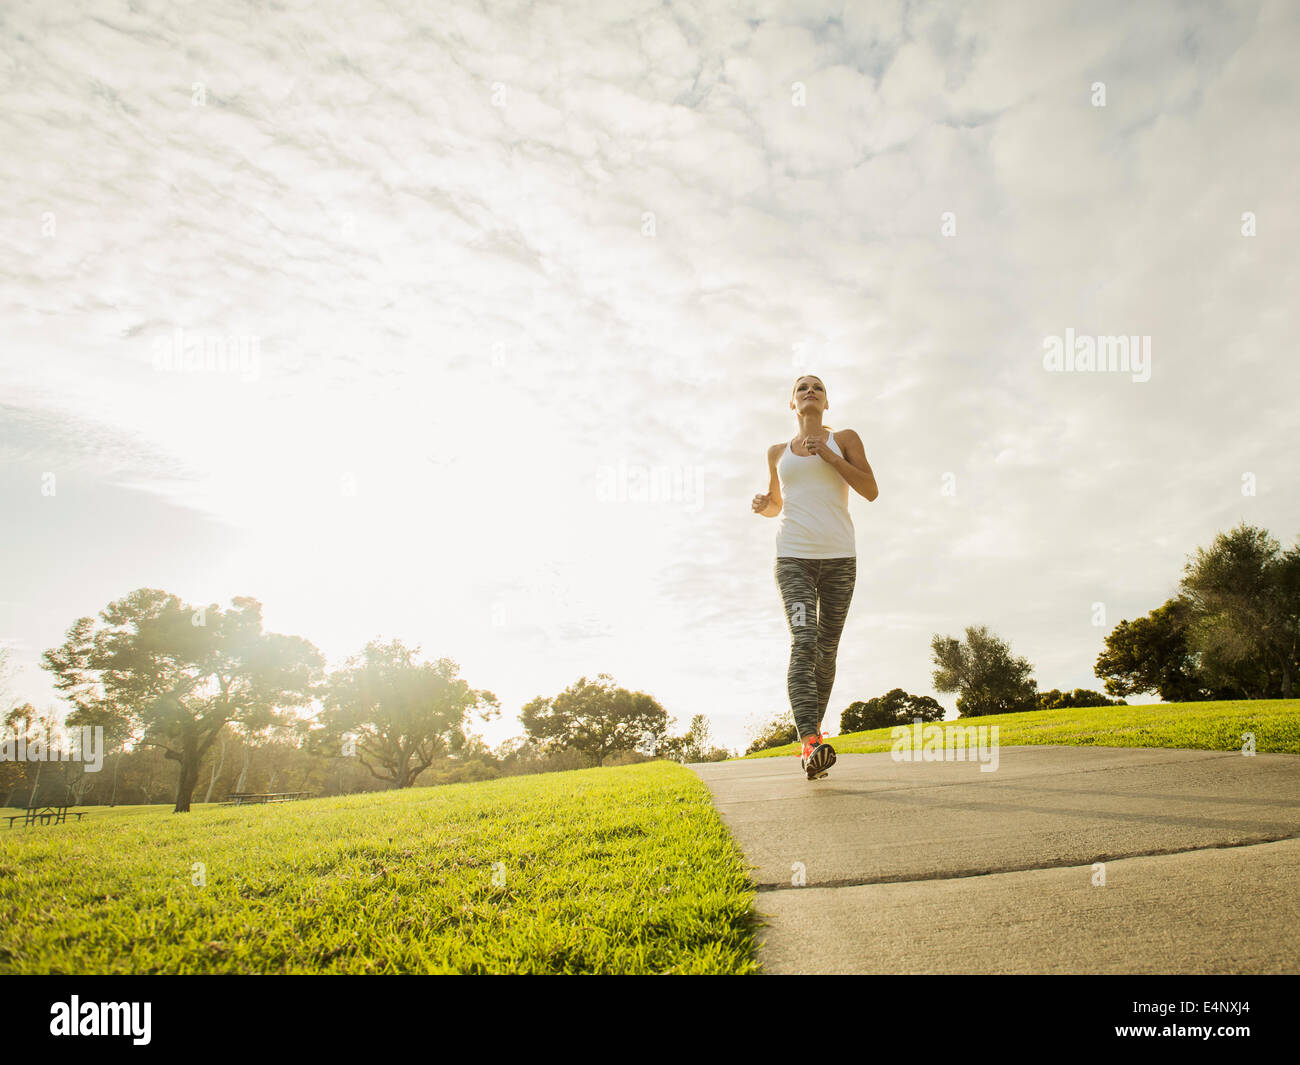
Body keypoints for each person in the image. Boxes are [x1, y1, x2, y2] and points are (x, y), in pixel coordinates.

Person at [752, 375, 879, 779]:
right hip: (794, 558)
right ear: (792, 403)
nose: (810, 391)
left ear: (826, 403)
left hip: (840, 559)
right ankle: (810, 740)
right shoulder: (777, 452)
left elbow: (871, 490)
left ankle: (812, 747)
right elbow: (777, 504)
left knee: (826, 652)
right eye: (802, 387)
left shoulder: (845, 439)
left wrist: (830, 456)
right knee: (804, 640)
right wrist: (764, 504)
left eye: (818, 388)